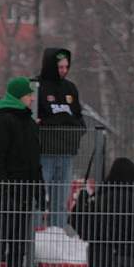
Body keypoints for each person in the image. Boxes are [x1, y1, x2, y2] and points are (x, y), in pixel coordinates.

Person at [0, 77, 43, 267]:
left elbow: (36, 161)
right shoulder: (3, 121)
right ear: (19, 96)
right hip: (6, 192)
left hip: (24, 191)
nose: (32, 99)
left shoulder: (30, 123)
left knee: (18, 242)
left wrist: (38, 190)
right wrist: (3, 186)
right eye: (29, 95)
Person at [37, 47, 85, 228]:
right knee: (38, 198)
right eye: (60, 67)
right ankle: (34, 236)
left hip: (66, 153)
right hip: (44, 153)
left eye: (66, 67)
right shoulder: (37, 86)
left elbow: (78, 116)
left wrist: (77, 131)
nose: (64, 71)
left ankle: (57, 236)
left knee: (60, 201)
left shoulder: (70, 88)